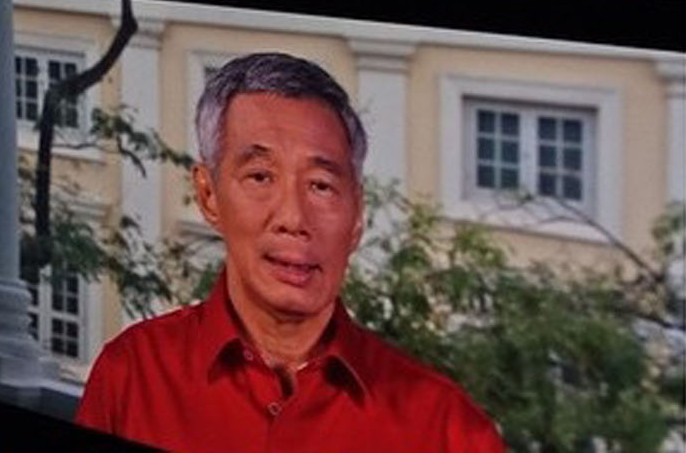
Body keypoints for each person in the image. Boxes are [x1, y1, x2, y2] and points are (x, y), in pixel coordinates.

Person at [75, 53, 504, 452]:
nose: (293, 218)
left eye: (321, 185)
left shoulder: (448, 429)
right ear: (208, 195)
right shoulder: (130, 374)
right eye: (261, 177)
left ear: (357, 215)